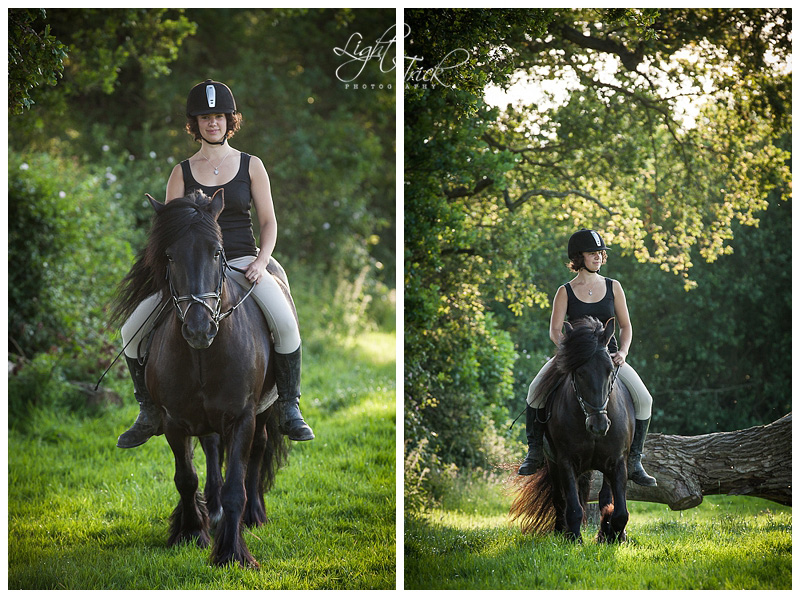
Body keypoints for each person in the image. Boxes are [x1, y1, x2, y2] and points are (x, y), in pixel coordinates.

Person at [117, 79, 314, 448]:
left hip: (242, 260)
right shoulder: (181, 171)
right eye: (205, 118)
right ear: (195, 123)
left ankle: (289, 406)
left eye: (219, 116)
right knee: (130, 330)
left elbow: (269, 222)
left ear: (229, 121)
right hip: (193, 270)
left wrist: (262, 261)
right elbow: (170, 231)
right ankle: (148, 410)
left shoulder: (252, 165)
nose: (213, 123)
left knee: (287, 324)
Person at [517, 229, 656, 486]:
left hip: (608, 357)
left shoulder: (614, 287)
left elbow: (625, 326)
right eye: (593, 253)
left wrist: (623, 352)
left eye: (600, 253)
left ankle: (635, 461)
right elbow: (555, 330)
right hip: (574, 358)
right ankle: (534, 451)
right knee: (534, 391)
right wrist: (570, 353)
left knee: (645, 399)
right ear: (579, 257)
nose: (598, 257)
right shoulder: (565, 291)